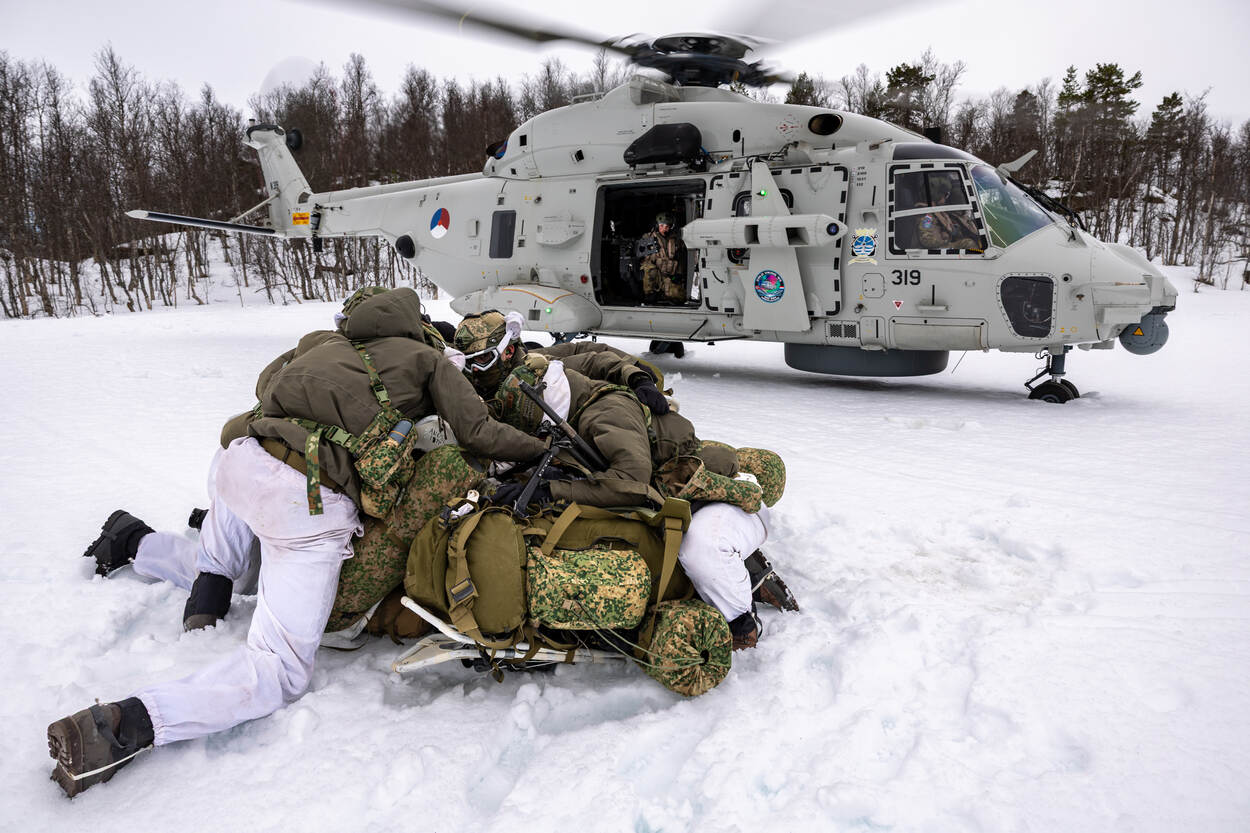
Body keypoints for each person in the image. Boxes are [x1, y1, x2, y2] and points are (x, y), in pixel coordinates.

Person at [51, 287, 548, 798]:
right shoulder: (426, 358)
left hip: (238, 461)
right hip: (305, 501)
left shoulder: (321, 344)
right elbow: (481, 432)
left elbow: (265, 384)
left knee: (237, 572)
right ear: (415, 325)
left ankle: (136, 542)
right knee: (279, 669)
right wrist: (545, 448)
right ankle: (119, 726)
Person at [488, 358, 797, 652]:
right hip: (676, 496)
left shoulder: (605, 413)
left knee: (699, 547)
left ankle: (742, 622)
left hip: (718, 499)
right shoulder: (573, 404)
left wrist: (550, 490)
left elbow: (629, 486)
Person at [453, 309, 672, 416]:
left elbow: (590, 359)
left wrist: (637, 376)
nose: (474, 369)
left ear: (508, 351)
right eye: (467, 362)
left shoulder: (545, 373)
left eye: (483, 360)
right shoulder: (476, 375)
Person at [916, 177, 982, 250]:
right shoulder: (927, 216)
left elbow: (951, 229)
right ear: (937, 196)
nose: (946, 198)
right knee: (968, 243)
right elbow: (926, 239)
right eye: (946, 194)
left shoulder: (939, 212)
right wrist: (946, 238)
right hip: (936, 249)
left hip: (942, 245)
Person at [640, 211, 688, 304]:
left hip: (669, 275)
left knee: (679, 296)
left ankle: (663, 295)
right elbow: (642, 258)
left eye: (667, 227)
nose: (664, 229)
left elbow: (680, 259)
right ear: (657, 225)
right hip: (655, 273)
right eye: (661, 226)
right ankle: (649, 293)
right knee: (650, 269)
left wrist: (677, 275)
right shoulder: (648, 237)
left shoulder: (676, 240)